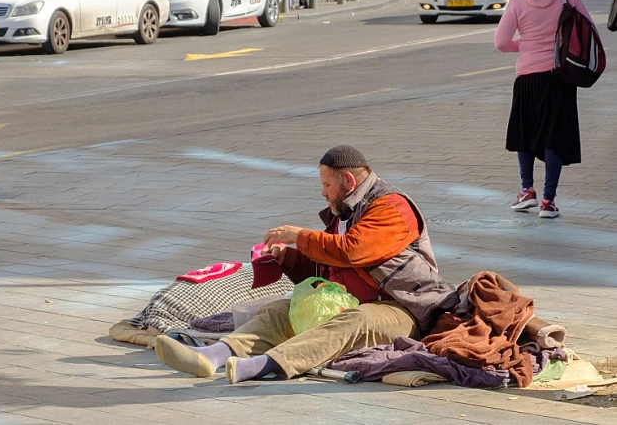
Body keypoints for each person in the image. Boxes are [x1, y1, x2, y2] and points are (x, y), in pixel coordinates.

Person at [154, 145, 457, 384]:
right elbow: (326, 268)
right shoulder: (345, 212)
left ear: (349, 181)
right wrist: (287, 258)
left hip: (404, 309)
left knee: (357, 319)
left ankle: (265, 365)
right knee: (282, 309)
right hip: (346, 301)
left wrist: (298, 236)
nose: (323, 193)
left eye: (327, 185)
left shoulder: (392, 207)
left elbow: (354, 251)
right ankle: (213, 355)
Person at [494, 0, 591, 219]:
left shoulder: (517, 3)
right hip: (560, 76)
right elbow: (587, 28)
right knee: (554, 137)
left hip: (527, 77)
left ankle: (527, 191)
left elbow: (501, 42)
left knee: (524, 134)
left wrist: (525, 45)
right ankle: (548, 201)